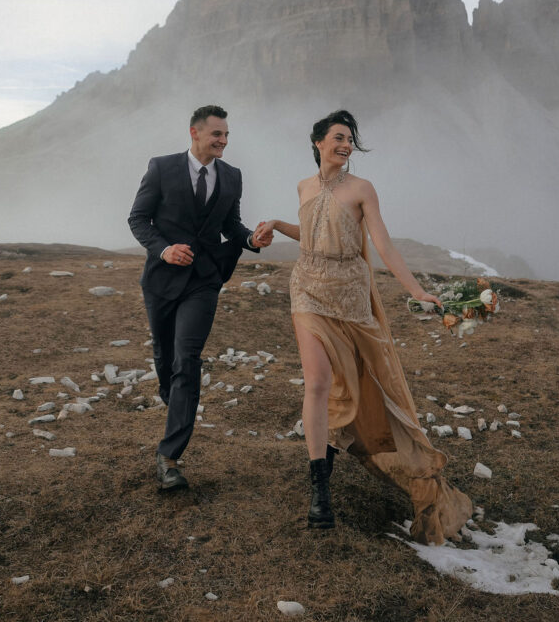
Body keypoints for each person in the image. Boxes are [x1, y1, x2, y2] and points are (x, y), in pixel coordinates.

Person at [253, 109, 472, 543]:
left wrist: (415, 289)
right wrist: (278, 224)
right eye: (338, 137)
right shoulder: (304, 186)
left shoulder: (362, 189)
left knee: (363, 385)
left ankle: (369, 454)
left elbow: (382, 243)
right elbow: (315, 233)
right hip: (308, 290)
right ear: (318, 142)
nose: (346, 144)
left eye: (350, 139)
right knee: (316, 382)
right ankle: (320, 489)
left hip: (351, 295)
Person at [128, 105, 271, 490]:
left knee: (187, 359)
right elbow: (138, 219)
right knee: (166, 357)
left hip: (204, 280)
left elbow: (232, 226)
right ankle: (174, 394)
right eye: (217, 135)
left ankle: (169, 457)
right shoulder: (161, 168)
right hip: (161, 279)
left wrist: (251, 240)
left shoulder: (232, 176)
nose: (223, 141)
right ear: (195, 133)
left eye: (226, 135)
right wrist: (164, 250)